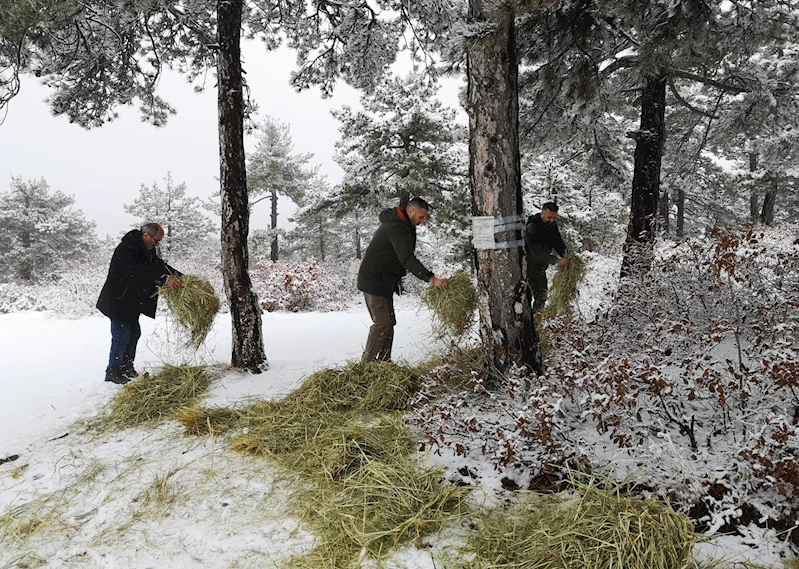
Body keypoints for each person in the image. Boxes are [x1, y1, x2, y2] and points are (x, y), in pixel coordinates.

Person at [357, 197, 448, 362]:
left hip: (384, 282)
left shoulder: (403, 225)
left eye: (425, 217)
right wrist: (430, 278)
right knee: (382, 322)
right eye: (421, 216)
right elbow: (406, 258)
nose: (423, 221)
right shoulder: (397, 227)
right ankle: (366, 365)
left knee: (389, 321)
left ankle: (384, 362)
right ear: (411, 210)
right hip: (374, 280)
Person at [96, 223, 182, 384]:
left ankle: (127, 368)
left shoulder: (147, 249)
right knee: (121, 335)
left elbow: (158, 266)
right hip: (118, 300)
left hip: (131, 301)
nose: (158, 244)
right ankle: (113, 371)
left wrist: (180, 276)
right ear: (146, 236)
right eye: (157, 241)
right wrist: (164, 280)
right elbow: (138, 271)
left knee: (134, 333)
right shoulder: (127, 248)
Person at [525, 202, 569, 313]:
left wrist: (566, 255)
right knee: (536, 297)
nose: (552, 220)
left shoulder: (552, 225)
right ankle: (534, 323)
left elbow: (558, 243)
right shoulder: (532, 226)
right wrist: (557, 261)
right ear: (542, 213)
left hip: (541, 267)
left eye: (554, 217)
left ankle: (536, 322)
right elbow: (536, 252)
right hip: (528, 267)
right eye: (549, 217)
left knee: (542, 296)